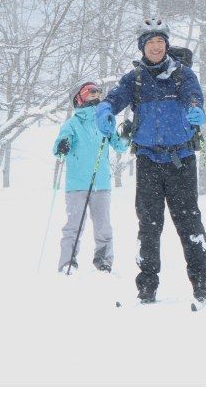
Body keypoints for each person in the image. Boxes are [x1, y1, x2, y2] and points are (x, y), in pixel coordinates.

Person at [95, 18, 206, 304]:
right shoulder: (135, 79)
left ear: (167, 45)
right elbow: (115, 98)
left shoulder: (182, 75)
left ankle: (200, 281)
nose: (156, 47)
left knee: (188, 222)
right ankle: (147, 285)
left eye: (160, 42)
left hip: (181, 159)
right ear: (143, 47)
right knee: (148, 224)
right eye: (150, 42)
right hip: (147, 160)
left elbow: (194, 97)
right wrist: (105, 109)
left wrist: (196, 110)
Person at [52, 82, 128, 273]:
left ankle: (103, 260)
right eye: (91, 91)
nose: (96, 94)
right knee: (73, 226)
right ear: (79, 97)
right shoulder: (72, 124)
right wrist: (63, 145)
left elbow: (119, 146)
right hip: (77, 184)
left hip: (101, 183)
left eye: (98, 91)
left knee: (103, 226)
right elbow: (59, 149)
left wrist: (127, 135)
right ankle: (68, 262)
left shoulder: (104, 121)